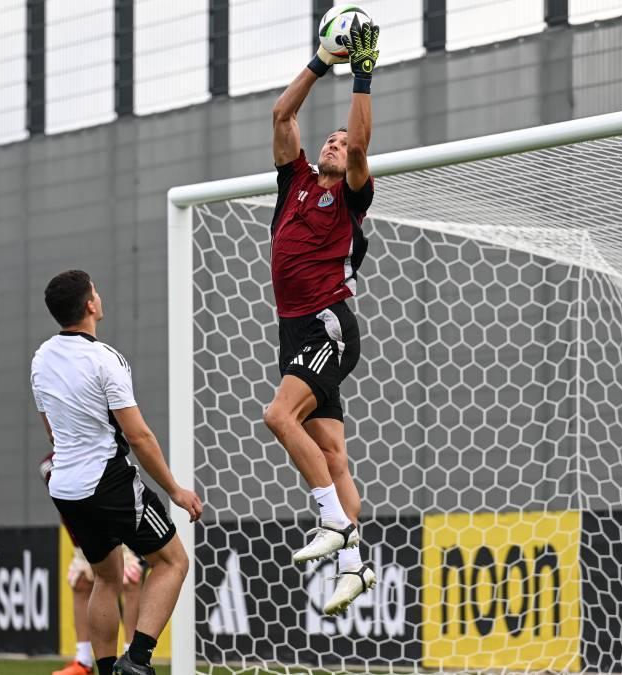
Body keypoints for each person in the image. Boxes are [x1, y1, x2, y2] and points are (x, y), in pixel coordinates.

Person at [262, 20, 380, 615]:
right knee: (332, 454)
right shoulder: (295, 181)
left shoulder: (351, 194)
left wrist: (361, 73)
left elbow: (360, 147)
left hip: (327, 324)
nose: (334, 144)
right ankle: (357, 567)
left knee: (278, 415)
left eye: (340, 140)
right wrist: (319, 61)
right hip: (294, 330)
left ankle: (332, 523)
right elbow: (283, 116)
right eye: (327, 140)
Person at [32, 270, 203, 675]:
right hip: (107, 481)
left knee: (105, 579)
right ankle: (138, 659)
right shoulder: (105, 360)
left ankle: (107, 670)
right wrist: (175, 490)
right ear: (90, 305)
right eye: (95, 290)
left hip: (66, 487)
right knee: (173, 562)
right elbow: (139, 437)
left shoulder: (41, 358)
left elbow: (52, 431)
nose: (99, 294)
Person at [41, 453, 145, 675]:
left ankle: (131, 659)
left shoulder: (102, 450)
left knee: (130, 579)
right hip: (87, 531)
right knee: (80, 581)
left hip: (120, 524)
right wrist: (79, 550)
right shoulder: (50, 466)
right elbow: (65, 509)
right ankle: (83, 661)